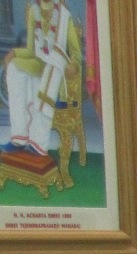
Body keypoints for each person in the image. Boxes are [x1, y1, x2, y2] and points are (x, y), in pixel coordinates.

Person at [2, 0, 80, 158]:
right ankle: (19, 137)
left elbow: (76, 52)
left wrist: (74, 65)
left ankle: (38, 144)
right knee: (14, 68)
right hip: (38, 62)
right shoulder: (33, 11)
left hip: (56, 67)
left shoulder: (65, 16)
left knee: (47, 77)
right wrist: (15, 53)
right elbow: (31, 51)